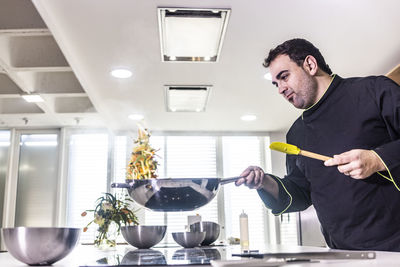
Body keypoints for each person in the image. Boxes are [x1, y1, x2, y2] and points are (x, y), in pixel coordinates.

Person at [236, 38, 400, 251]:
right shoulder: (297, 133)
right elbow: (301, 194)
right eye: (276, 83)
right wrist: (264, 183)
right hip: (340, 254)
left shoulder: (373, 90)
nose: (280, 89)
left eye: (284, 77)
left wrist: (376, 160)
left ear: (310, 65)